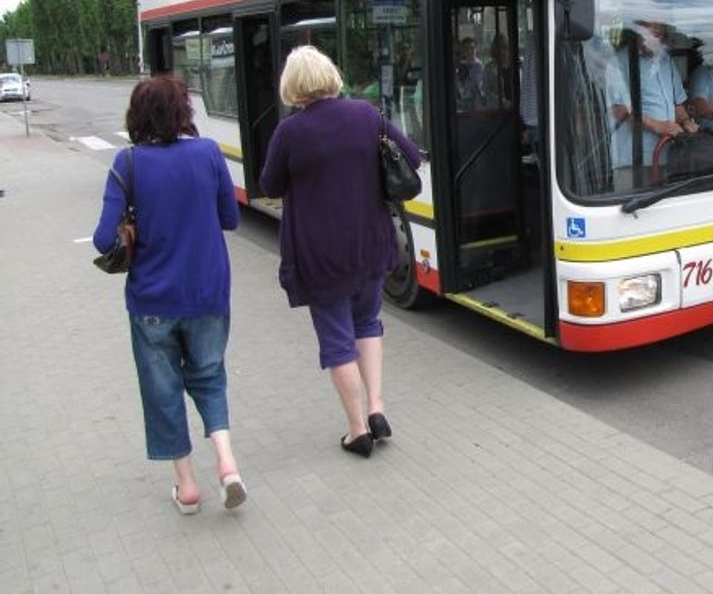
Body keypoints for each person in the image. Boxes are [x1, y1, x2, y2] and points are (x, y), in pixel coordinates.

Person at [259, 46, 422, 459]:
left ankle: (356, 431)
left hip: (320, 254)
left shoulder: (290, 133)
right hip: (371, 242)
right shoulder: (366, 115)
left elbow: (270, 184)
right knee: (368, 322)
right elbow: (411, 154)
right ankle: (377, 407)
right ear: (331, 75)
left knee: (336, 341)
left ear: (292, 86)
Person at [93, 75, 246, 515]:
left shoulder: (128, 164)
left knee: (162, 391)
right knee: (209, 375)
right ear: (184, 111)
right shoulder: (208, 153)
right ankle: (228, 462)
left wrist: (131, 226)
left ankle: (187, 485)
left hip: (152, 302)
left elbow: (104, 240)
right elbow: (231, 220)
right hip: (207, 292)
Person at [605, 19, 698, 191]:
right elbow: (619, 110)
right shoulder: (618, 62)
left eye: (659, 32)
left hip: (665, 154)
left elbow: (677, 103)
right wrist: (658, 126)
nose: (655, 35)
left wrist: (686, 121)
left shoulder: (666, 61)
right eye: (650, 30)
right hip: (632, 160)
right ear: (636, 31)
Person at [482, 32, 513, 108]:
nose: (503, 51)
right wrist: (506, 103)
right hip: (498, 111)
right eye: (500, 48)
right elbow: (487, 92)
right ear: (495, 50)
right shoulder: (489, 68)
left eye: (505, 47)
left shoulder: (518, 66)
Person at [455, 36, 484, 111]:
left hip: (476, 102)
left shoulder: (478, 66)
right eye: (467, 49)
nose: (470, 51)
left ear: (476, 49)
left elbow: (477, 84)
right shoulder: (459, 66)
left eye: (472, 48)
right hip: (462, 102)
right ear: (463, 51)